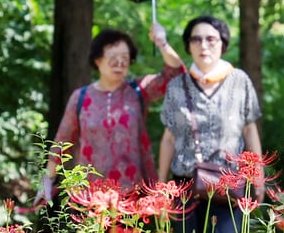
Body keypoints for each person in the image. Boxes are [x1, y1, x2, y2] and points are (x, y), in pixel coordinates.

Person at [37, 25, 184, 206]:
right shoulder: (81, 97)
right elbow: (62, 141)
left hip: (133, 198)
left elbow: (176, 75)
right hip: (89, 198)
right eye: (113, 58)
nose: (120, 63)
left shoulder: (139, 90)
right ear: (97, 60)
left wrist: (162, 42)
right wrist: (47, 181)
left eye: (125, 58)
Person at [158, 15, 264, 233]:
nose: (203, 45)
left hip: (228, 183)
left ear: (223, 43)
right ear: (188, 46)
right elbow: (168, 138)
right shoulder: (177, 86)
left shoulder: (240, 81)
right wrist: (162, 183)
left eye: (210, 39)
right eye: (196, 39)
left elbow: (250, 129)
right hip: (185, 183)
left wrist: (258, 176)